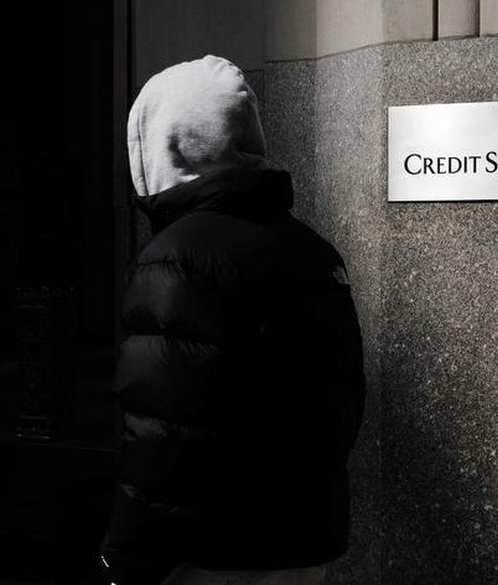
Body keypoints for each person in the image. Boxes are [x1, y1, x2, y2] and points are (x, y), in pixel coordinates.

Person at [100, 55, 366, 585]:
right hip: (301, 546)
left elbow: (162, 438)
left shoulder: (175, 257)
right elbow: (341, 405)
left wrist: (125, 556)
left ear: (165, 143)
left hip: (209, 555)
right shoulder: (312, 251)